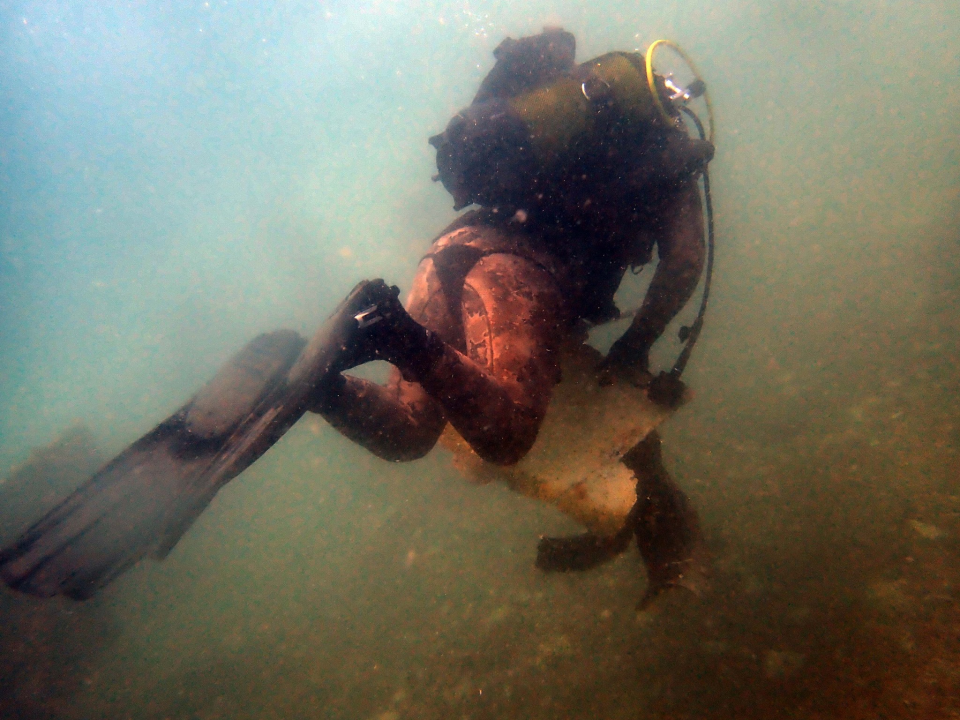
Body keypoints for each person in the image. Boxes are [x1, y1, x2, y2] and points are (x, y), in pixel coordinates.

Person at [0, 28, 712, 601]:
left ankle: (318, 379)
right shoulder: (669, 154)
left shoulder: (564, 116)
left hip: (456, 247)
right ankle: (390, 329)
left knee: (407, 434)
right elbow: (682, 265)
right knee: (508, 435)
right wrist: (638, 344)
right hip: (520, 277)